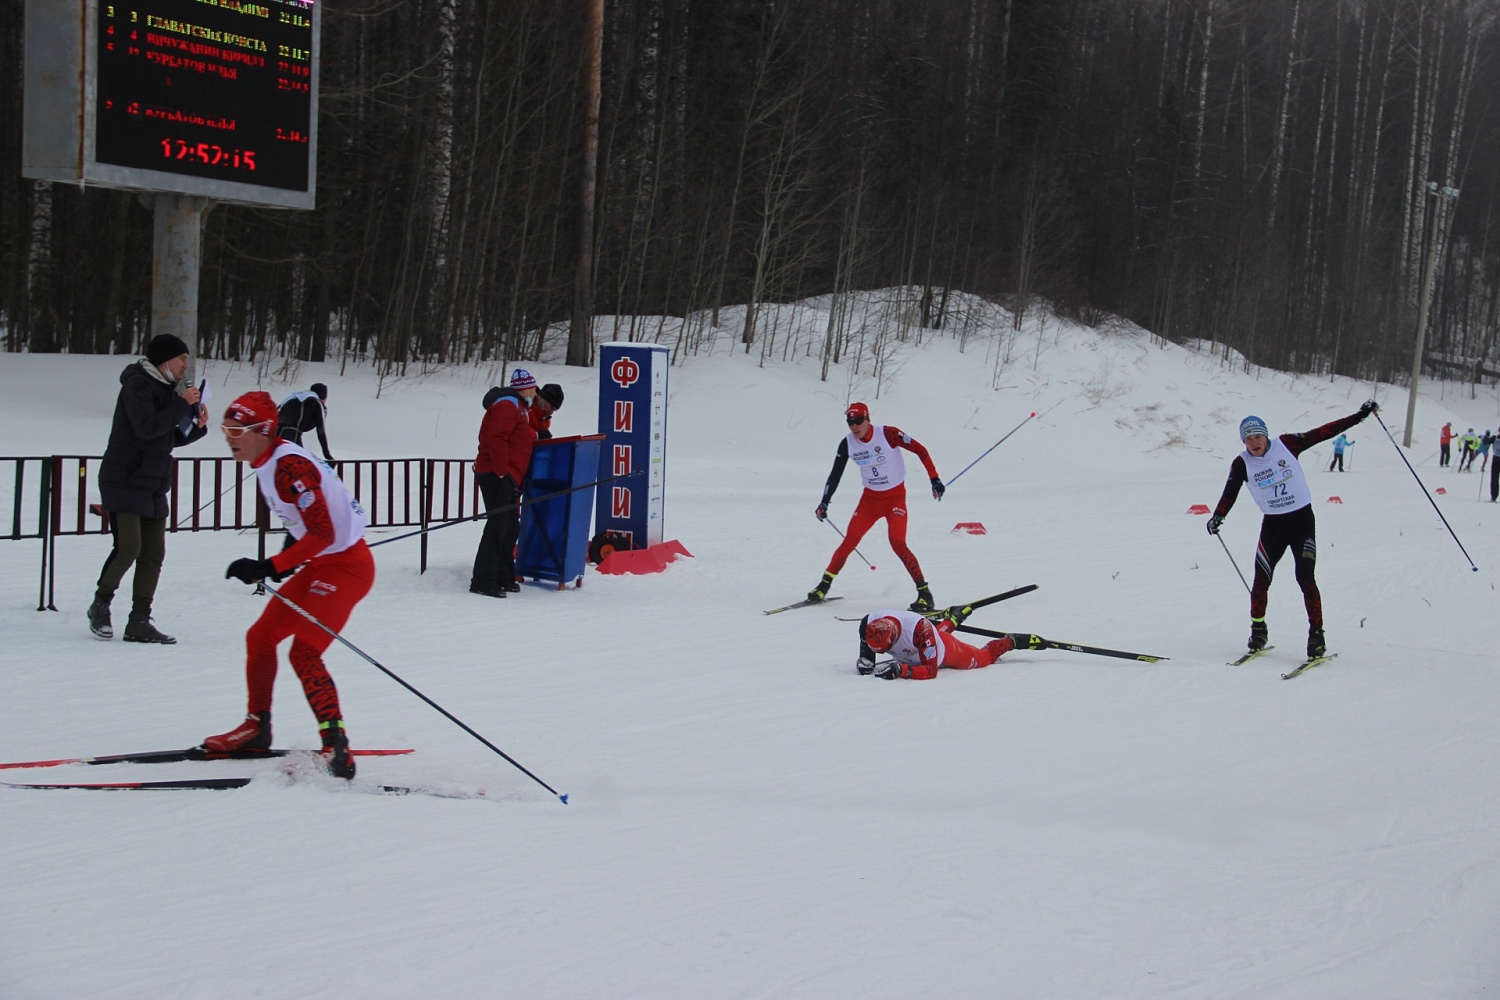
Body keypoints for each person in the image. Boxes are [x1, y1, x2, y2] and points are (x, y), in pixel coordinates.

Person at [204, 391, 374, 779]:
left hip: (346, 568)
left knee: (305, 653)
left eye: (236, 430)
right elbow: (307, 524)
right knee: (260, 637)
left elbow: (322, 530)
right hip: (322, 563)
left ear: (263, 431)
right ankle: (256, 727)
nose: (229, 437)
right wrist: (283, 559)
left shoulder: (289, 468)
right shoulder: (269, 460)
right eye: (225, 428)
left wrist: (270, 565)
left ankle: (336, 747)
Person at [1207, 401, 1378, 658]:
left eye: (1257, 436)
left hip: (1302, 523)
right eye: (1248, 439)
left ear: (1265, 435)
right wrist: (1218, 516)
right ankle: (1258, 630)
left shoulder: (1287, 444)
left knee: (1305, 578)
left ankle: (1316, 635)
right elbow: (1230, 491)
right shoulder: (1242, 463)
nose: (1254, 443)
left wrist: (1360, 416)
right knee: (1261, 581)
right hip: (1273, 527)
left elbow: (1324, 432)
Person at [88, 333, 209, 643]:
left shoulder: (167, 391)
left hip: (153, 483)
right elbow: (146, 428)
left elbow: (166, 437)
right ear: (165, 360)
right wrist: (181, 405)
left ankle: (140, 619)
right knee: (129, 547)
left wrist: (197, 428)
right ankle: (101, 604)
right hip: (124, 479)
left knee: (153, 553)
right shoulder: (137, 385)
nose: (186, 365)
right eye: (182, 359)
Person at [808, 402, 946, 611]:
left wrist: (934, 478)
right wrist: (824, 501)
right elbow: (835, 475)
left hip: (895, 498)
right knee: (849, 541)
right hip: (870, 500)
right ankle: (823, 585)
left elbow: (921, 450)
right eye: (849, 422)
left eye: (857, 421)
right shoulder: (847, 444)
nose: (854, 427)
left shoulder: (888, 434)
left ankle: (924, 593)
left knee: (897, 542)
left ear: (867, 419)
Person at [470, 368, 538, 597]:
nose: (535, 393)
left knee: (509, 526)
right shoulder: (508, 405)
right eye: (533, 389)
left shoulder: (519, 408)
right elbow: (496, 437)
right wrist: (502, 471)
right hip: (497, 473)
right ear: (525, 388)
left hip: (508, 474)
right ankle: (483, 580)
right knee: (498, 526)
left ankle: (503, 575)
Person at [856, 609, 1014, 680]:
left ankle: (1010, 641)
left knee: (983, 657)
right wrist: (865, 661)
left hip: (946, 651)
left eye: (887, 649)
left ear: (895, 635)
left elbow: (931, 671)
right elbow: (866, 656)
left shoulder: (920, 630)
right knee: (933, 637)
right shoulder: (868, 623)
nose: (885, 654)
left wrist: (901, 670)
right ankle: (952, 620)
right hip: (922, 644)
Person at [277, 383, 335, 463]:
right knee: (299, 466)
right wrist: (327, 454)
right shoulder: (317, 403)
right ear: (323, 396)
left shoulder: (294, 397)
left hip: (276, 434)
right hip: (291, 435)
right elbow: (321, 430)